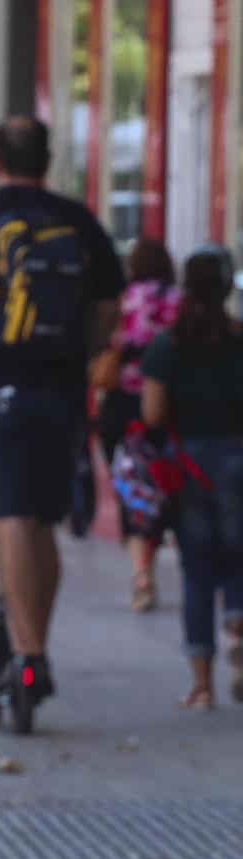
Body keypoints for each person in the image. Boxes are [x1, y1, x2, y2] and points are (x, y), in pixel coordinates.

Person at [0, 114, 124, 714]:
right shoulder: (77, 219)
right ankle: (32, 650)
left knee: (8, 516)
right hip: (58, 392)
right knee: (41, 519)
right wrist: (82, 355)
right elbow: (110, 301)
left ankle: (27, 657)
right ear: (48, 159)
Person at [140, 246, 243, 709]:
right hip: (239, 459)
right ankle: (239, 632)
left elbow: (153, 413)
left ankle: (202, 687)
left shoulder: (166, 346)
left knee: (197, 573)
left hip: (189, 469)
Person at [96, 237, 180, 611]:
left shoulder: (123, 299)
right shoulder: (181, 301)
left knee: (130, 488)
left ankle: (140, 573)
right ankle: (151, 557)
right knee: (163, 486)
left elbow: (106, 343)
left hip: (121, 407)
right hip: (166, 407)